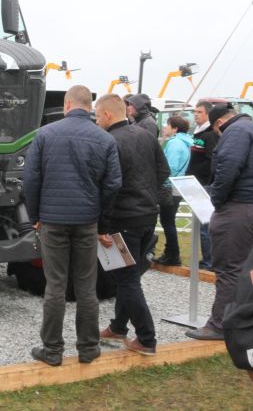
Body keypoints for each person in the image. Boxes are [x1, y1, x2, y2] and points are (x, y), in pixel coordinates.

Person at [23, 85, 122, 366]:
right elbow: (113, 184)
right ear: (89, 106)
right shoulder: (104, 139)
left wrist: (35, 216)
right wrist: (101, 220)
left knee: (55, 286)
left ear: (67, 105)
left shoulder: (44, 134)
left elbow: (31, 180)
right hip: (87, 221)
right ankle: (88, 348)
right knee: (86, 287)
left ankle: (52, 350)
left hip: (53, 221)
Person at [186, 105, 253, 340]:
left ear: (218, 123)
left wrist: (217, 200)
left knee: (229, 269)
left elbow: (227, 165)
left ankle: (220, 324)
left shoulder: (235, 132)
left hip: (241, 208)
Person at [94, 94, 169, 356]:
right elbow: (163, 171)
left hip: (120, 220)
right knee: (130, 276)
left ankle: (146, 338)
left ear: (106, 115)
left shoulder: (108, 141)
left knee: (126, 279)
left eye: (96, 115)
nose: (95, 120)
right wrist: (148, 197)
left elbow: (108, 185)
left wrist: (101, 226)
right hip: (147, 216)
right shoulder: (146, 135)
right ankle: (118, 326)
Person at [154, 115, 193, 266]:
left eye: (167, 125)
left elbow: (170, 167)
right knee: (168, 221)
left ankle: (172, 254)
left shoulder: (175, 143)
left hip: (169, 186)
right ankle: (171, 253)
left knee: (167, 221)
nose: (164, 127)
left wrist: (159, 179)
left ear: (175, 128)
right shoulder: (185, 142)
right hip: (177, 185)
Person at [186, 100, 219, 270]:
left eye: (199, 112)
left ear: (207, 114)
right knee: (200, 226)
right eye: (195, 112)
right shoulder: (198, 133)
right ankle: (206, 258)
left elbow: (211, 160)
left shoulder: (210, 134)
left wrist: (207, 182)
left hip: (204, 184)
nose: (195, 114)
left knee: (206, 226)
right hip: (195, 183)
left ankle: (210, 261)